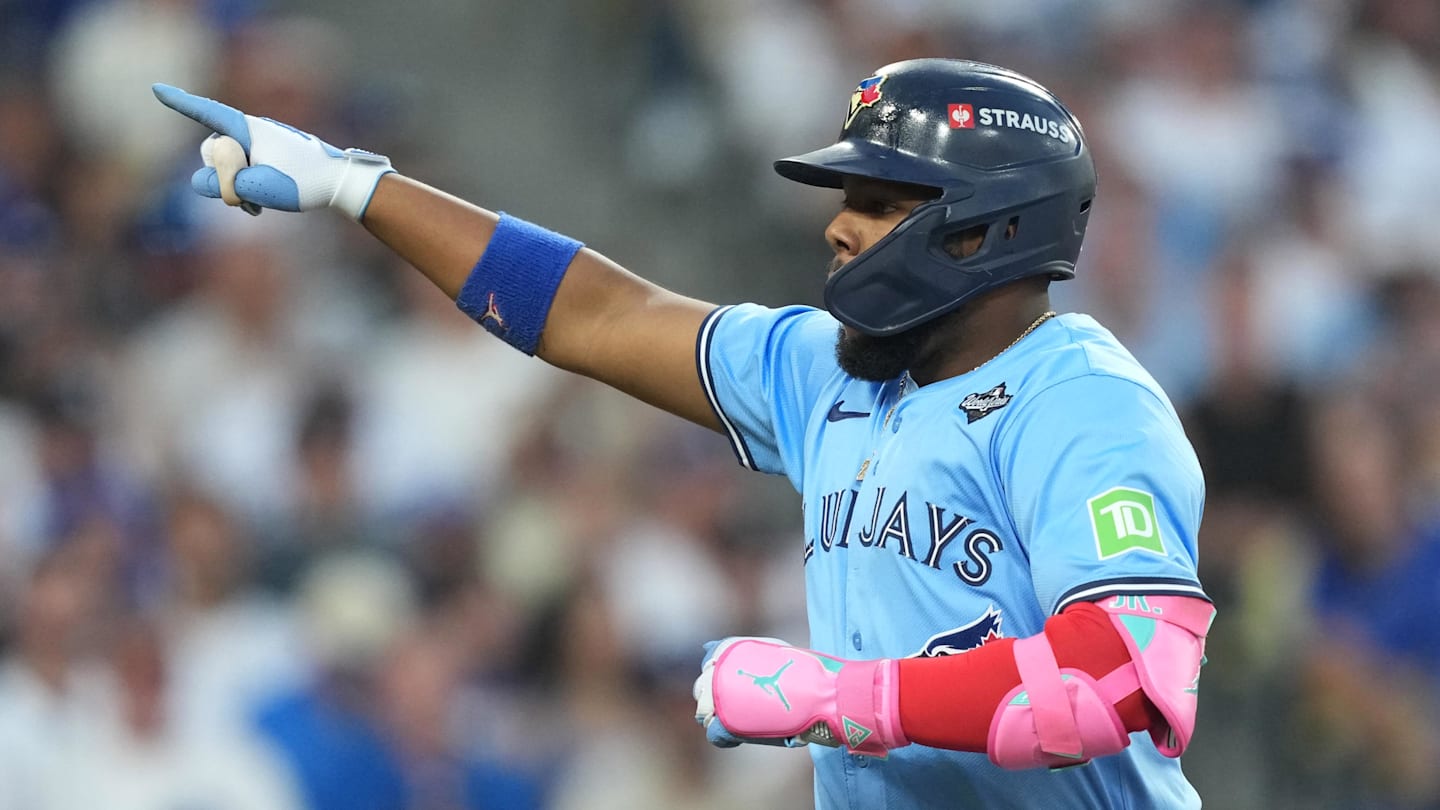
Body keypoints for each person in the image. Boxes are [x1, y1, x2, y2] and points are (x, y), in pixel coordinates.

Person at [153, 57, 1215, 809]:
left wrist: (839, 700)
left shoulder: (1084, 403)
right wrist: (356, 186)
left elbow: (1122, 677)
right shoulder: (827, 371)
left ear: (992, 226)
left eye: (884, 200)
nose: (839, 223)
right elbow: (596, 312)